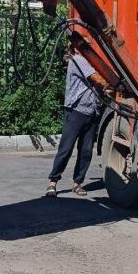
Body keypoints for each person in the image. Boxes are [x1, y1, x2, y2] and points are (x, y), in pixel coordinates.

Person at [45, 45, 106, 197]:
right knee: (66, 149)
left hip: (92, 112)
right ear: (74, 49)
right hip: (76, 112)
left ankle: (77, 183)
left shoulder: (93, 63)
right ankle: (53, 182)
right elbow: (97, 79)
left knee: (86, 151)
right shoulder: (77, 60)